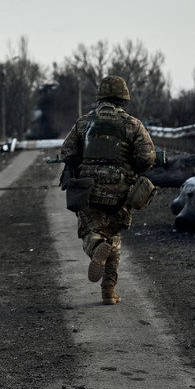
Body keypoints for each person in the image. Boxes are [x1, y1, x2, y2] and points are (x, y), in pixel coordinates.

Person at [59, 76, 156, 305]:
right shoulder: (132, 124)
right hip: (120, 191)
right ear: (124, 97)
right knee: (113, 236)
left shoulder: (84, 122)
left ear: (100, 96)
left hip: (88, 190)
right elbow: (147, 158)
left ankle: (96, 247)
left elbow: (66, 153)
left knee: (90, 232)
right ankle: (108, 292)